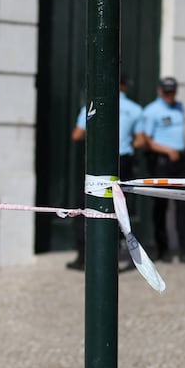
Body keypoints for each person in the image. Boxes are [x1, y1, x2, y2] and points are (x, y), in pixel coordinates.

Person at [68, 73, 144, 271]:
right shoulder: (135, 109)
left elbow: (76, 135)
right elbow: (141, 141)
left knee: (86, 205)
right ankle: (113, 258)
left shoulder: (91, 106)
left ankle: (82, 257)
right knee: (119, 209)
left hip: (97, 163)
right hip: (122, 162)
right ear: (125, 87)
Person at [138, 76, 185, 263]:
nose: (169, 96)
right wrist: (167, 150)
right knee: (161, 206)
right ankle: (162, 249)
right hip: (162, 162)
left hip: (180, 161)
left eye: (172, 92)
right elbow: (146, 140)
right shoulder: (151, 111)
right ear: (159, 91)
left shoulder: (180, 107)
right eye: (166, 92)